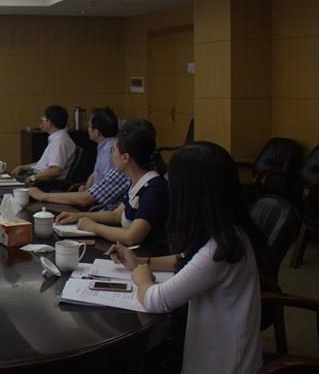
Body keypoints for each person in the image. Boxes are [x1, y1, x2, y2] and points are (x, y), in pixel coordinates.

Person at [109, 142, 265, 374]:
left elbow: (156, 300)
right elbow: (186, 260)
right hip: (218, 352)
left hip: (224, 365)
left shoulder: (218, 250)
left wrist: (143, 279)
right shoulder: (230, 232)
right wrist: (140, 262)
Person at [54, 118, 169, 255]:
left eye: (113, 150)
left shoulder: (154, 189)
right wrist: (77, 216)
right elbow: (116, 215)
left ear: (125, 158)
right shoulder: (136, 182)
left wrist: (93, 227)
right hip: (130, 254)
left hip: (145, 257)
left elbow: (132, 236)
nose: (112, 154)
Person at [29, 107, 126, 209]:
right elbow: (95, 173)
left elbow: (91, 197)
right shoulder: (103, 147)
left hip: (98, 205)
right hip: (91, 196)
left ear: (96, 132)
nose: (87, 129)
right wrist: (87, 186)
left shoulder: (110, 152)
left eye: (89, 126)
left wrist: (42, 195)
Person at [10, 105, 76, 187]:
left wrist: (33, 178)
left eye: (44, 119)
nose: (42, 122)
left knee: (4, 189)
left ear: (50, 122)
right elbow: (42, 165)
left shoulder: (60, 142)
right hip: (37, 177)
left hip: (42, 183)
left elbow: (55, 170)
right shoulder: (57, 138)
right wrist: (21, 167)